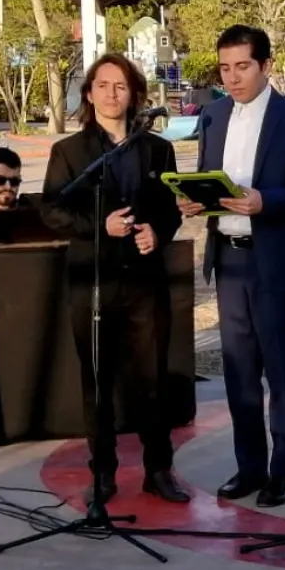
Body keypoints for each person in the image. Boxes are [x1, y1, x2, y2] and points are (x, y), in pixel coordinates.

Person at [179, 25, 285, 508]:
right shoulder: (214, 114)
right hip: (228, 261)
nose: (233, 77)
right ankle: (249, 468)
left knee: (280, 373)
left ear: (265, 65)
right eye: (225, 68)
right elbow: (210, 175)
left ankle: (284, 471)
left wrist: (266, 201)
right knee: (238, 372)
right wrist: (198, 202)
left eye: (242, 66)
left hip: (276, 261)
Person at [40, 53, 189, 506]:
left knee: (151, 380)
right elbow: (52, 210)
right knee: (99, 382)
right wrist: (97, 226)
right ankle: (102, 471)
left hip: (145, 282)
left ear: (134, 93)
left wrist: (156, 232)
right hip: (94, 282)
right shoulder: (69, 152)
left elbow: (168, 208)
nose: (111, 94)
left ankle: (158, 470)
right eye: (102, 85)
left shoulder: (158, 149)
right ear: (88, 94)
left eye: (120, 86)